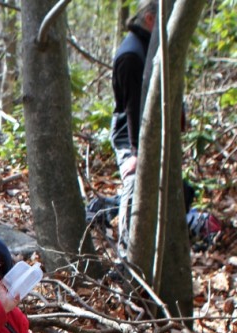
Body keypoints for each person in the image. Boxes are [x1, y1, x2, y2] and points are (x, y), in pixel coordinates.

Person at [111, 1, 158, 251]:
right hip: (129, 135)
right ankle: (127, 255)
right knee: (134, 182)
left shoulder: (150, 47)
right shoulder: (132, 55)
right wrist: (137, 152)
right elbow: (132, 108)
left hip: (147, 132)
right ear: (150, 20)